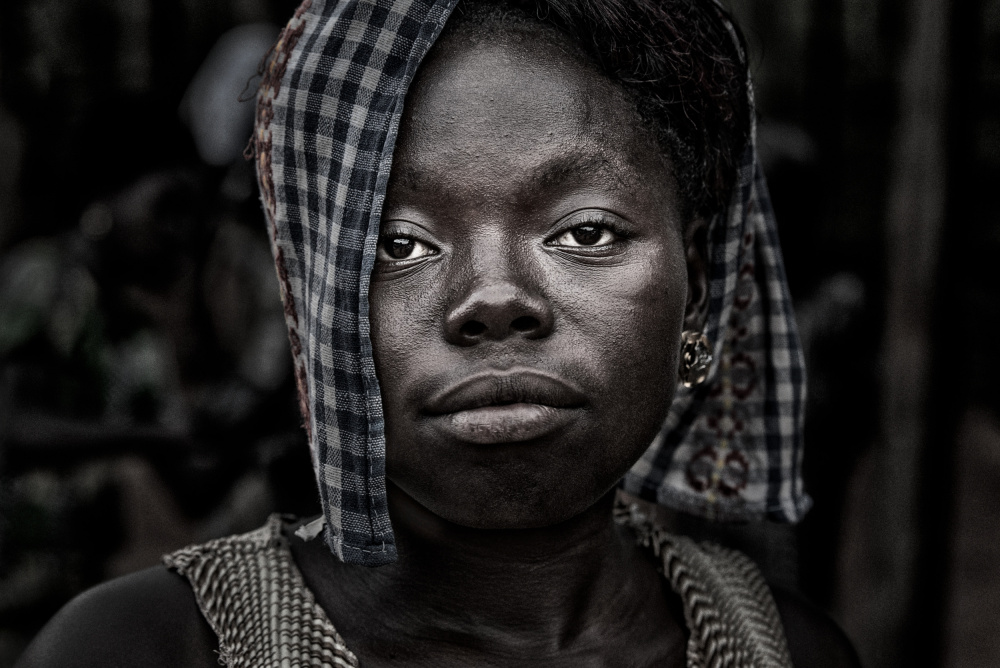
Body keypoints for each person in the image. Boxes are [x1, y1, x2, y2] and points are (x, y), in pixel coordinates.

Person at [17, 0, 860, 665]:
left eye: (587, 231)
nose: (493, 298)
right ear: (321, 304)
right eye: (399, 243)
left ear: (700, 291)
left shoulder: (785, 649)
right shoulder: (143, 649)